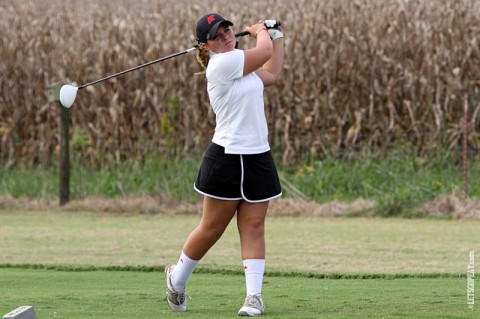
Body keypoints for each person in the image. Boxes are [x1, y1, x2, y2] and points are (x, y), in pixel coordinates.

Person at [164, 13, 284, 317]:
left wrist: (277, 36)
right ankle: (176, 280)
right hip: (227, 157)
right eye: (218, 35)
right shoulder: (222, 64)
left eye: (228, 29)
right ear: (207, 45)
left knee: (254, 226)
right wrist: (261, 31)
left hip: (258, 155)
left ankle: (253, 298)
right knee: (212, 228)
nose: (227, 35)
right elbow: (264, 52)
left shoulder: (241, 61)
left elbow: (271, 73)